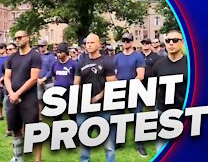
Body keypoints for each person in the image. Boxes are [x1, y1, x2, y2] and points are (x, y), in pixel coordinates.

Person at [74, 33, 116, 162]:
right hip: (84, 108)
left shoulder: (107, 61)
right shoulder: (81, 62)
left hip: (103, 108)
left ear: (98, 44)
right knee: (85, 139)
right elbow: (76, 84)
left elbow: (112, 83)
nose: (89, 45)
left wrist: (98, 97)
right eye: (87, 43)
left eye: (92, 42)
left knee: (108, 142)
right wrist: (84, 98)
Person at [4, 30, 42, 162]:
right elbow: (7, 77)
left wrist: (18, 93)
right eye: (15, 38)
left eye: (20, 37)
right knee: (15, 129)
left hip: (28, 99)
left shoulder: (34, 56)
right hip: (13, 98)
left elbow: (33, 79)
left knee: (33, 130)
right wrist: (11, 93)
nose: (17, 40)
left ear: (28, 38)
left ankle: (37, 159)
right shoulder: (12, 57)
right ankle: (18, 157)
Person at [152, 30, 187, 152]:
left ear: (182, 43)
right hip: (162, 112)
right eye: (168, 41)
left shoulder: (191, 65)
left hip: (184, 112)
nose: (171, 43)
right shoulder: (158, 65)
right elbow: (153, 89)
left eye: (175, 40)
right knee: (162, 150)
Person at [114, 33, 147, 157]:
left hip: (134, 92)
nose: (126, 42)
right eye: (124, 40)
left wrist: (129, 86)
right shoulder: (117, 57)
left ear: (132, 42)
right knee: (118, 118)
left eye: (128, 40)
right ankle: (119, 142)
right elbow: (115, 74)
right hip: (120, 92)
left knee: (138, 118)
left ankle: (140, 145)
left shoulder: (138, 57)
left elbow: (141, 75)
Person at [51, 42, 77, 121]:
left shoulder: (73, 64)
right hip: (58, 94)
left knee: (72, 116)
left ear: (66, 53)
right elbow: (53, 76)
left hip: (70, 94)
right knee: (57, 116)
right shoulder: (54, 64)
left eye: (60, 52)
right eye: (57, 52)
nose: (58, 55)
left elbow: (77, 78)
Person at [37, 39, 57, 121]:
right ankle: (40, 117)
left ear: (46, 46)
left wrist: (44, 78)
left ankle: (52, 115)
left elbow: (52, 70)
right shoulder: (37, 57)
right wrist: (38, 79)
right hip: (38, 81)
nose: (40, 48)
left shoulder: (51, 57)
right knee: (39, 99)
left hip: (48, 81)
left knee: (50, 100)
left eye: (42, 46)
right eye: (39, 46)